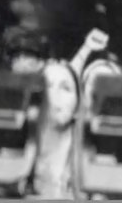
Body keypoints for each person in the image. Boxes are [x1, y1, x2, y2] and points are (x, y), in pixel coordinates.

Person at [30, 60, 82, 200]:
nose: (55, 94)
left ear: (78, 105)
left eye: (65, 88)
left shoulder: (88, 166)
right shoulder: (15, 159)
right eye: (48, 86)